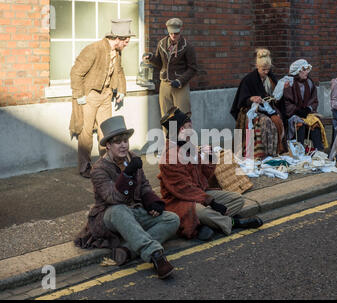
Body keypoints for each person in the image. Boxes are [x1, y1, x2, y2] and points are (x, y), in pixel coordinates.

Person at [74, 116, 180, 279]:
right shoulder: (98, 169)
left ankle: (128, 250)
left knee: (172, 219)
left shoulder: (132, 157)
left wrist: (152, 202)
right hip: (109, 215)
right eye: (118, 142)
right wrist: (128, 173)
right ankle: (156, 256)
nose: (123, 145)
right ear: (108, 145)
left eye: (125, 140)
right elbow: (113, 198)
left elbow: (144, 185)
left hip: (134, 211)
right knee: (119, 210)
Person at [157, 107, 263, 241]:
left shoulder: (188, 145)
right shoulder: (169, 156)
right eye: (190, 127)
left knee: (237, 199)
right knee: (202, 212)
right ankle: (234, 222)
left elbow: (204, 177)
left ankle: (209, 224)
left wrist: (210, 158)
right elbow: (184, 189)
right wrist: (211, 202)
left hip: (199, 194)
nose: (193, 131)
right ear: (181, 130)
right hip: (180, 200)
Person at [70, 19, 132, 178]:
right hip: (90, 95)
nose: (127, 43)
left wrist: (122, 90)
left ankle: (107, 165)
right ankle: (85, 167)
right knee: (86, 134)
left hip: (106, 94)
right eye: (125, 40)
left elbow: (119, 71)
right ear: (117, 38)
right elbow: (76, 72)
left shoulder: (117, 51)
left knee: (107, 133)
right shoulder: (94, 49)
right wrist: (80, 95)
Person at [230, 49, 287, 159]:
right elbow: (242, 99)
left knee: (278, 119)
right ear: (257, 66)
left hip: (268, 109)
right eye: (263, 69)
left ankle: (276, 151)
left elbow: (276, 98)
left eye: (268, 69)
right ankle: (262, 153)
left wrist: (281, 89)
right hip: (251, 110)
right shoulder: (248, 79)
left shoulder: (271, 78)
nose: (266, 72)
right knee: (266, 122)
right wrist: (252, 98)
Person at [143, 18, 198, 117]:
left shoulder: (187, 46)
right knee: (168, 116)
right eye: (171, 33)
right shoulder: (161, 44)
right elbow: (160, 64)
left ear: (180, 31)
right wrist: (151, 58)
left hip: (180, 85)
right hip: (165, 84)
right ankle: (171, 133)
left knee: (182, 115)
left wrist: (180, 81)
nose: (173, 36)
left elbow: (192, 69)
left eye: (176, 33)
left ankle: (182, 133)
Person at [283, 59, 328, 152]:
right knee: (300, 124)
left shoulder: (309, 83)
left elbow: (314, 100)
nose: (307, 72)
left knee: (316, 125)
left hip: (307, 114)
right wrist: (296, 110)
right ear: (297, 71)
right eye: (304, 70)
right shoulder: (289, 84)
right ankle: (299, 152)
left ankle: (318, 152)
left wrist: (308, 108)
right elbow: (285, 102)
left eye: (307, 69)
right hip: (292, 115)